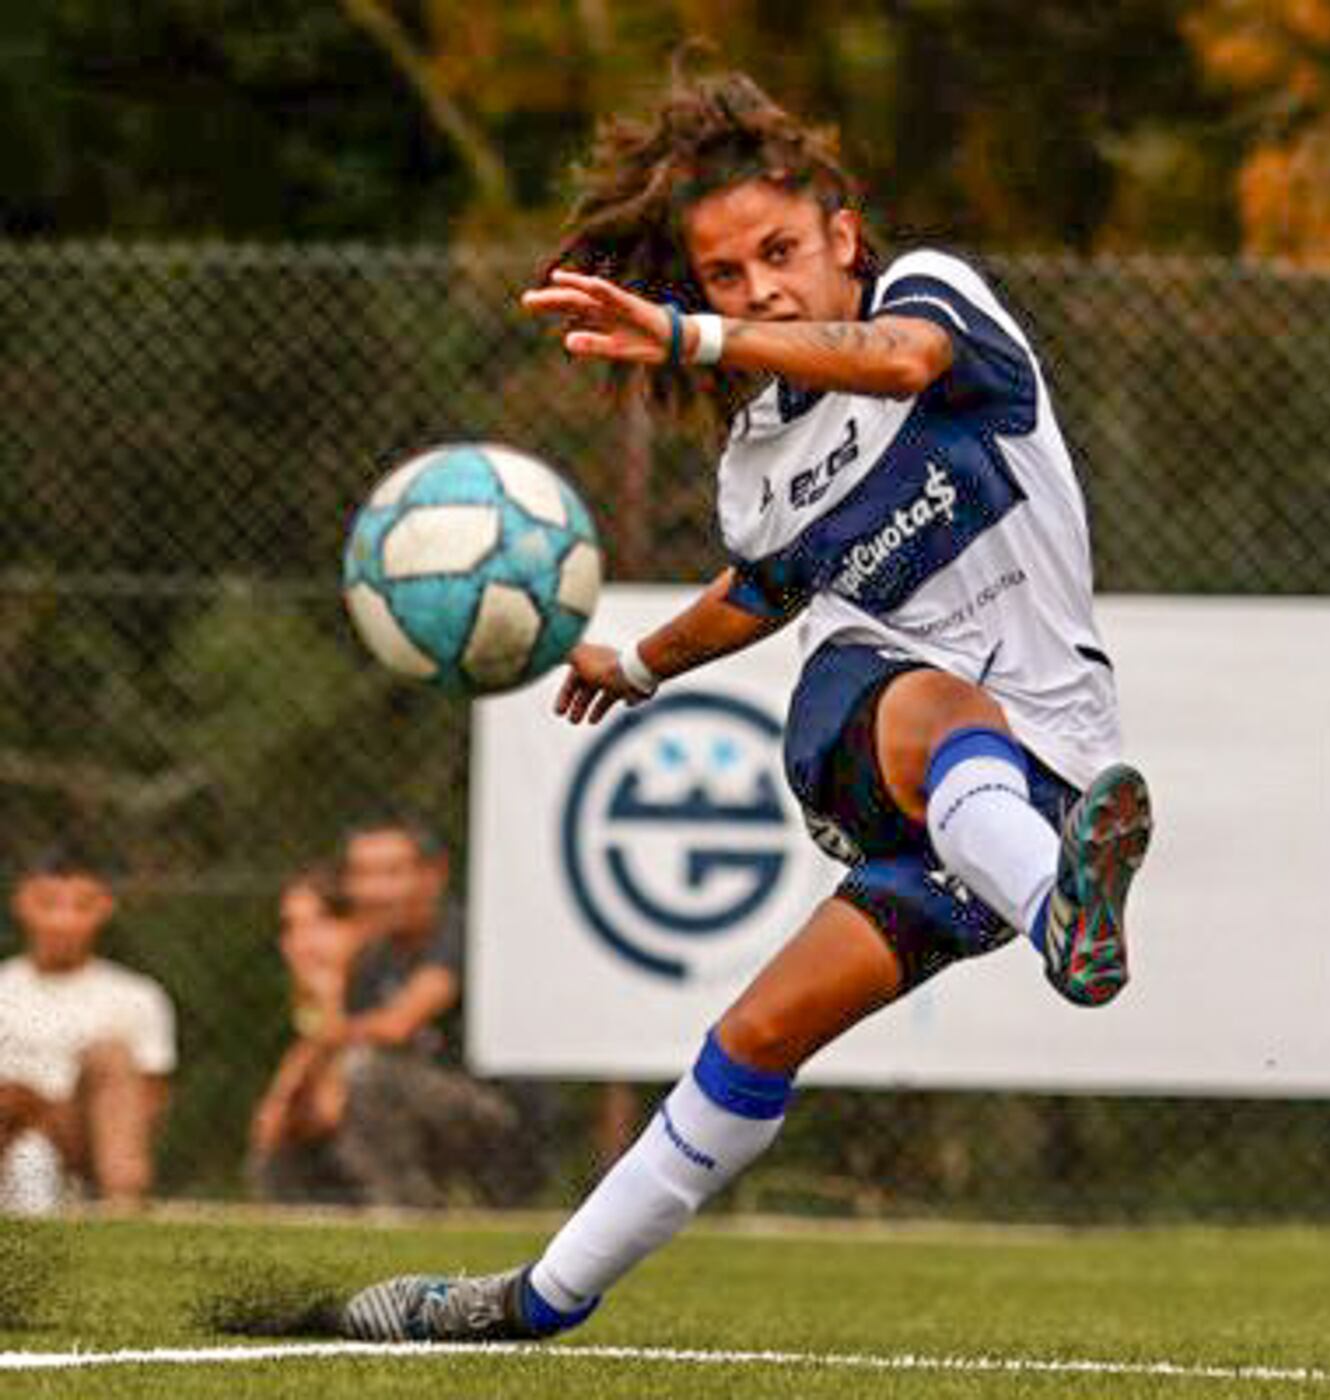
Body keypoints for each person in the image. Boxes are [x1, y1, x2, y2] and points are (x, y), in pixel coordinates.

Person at [339, 56, 1151, 1342]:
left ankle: (533, 1299)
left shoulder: (931, 297)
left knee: (758, 1033)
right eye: (724, 275)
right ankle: (1065, 906)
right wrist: (640, 661)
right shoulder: (757, 463)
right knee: (907, 691)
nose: (761, 285)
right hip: (880, 742)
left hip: (1041, 783)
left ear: (842, 231)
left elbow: (894, 363)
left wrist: (692, 335)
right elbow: (765, 589)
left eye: (780, 250)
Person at [295, 819, 549, 1209]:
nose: (374, 891)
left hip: (500, 1114)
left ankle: (407, 1208)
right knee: (310, 1110)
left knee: (364, 1072)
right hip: (420, 1106)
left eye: (391, 873)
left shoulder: (460, 932)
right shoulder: (373, 957)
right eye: (362, 874)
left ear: (434, 875)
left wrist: (330, 985)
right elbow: (333, 1058)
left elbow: (398, 1026)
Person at [0, 846, 176, 1214]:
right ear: (21, 903)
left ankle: (122, 1207)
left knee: (110, 1055)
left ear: (104, 907)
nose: (63, 922)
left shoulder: (136, 996)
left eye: (80, 906)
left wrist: (47, 1114)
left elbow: (149, 1104)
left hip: (84, 1139)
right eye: (49, 904)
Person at [245, 867, 361, 1203]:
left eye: (320, 922)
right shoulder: (313, 990)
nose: (302, 942)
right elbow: (312, 1044)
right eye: (291, 927)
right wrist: (280, 1099)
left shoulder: (376, 974)